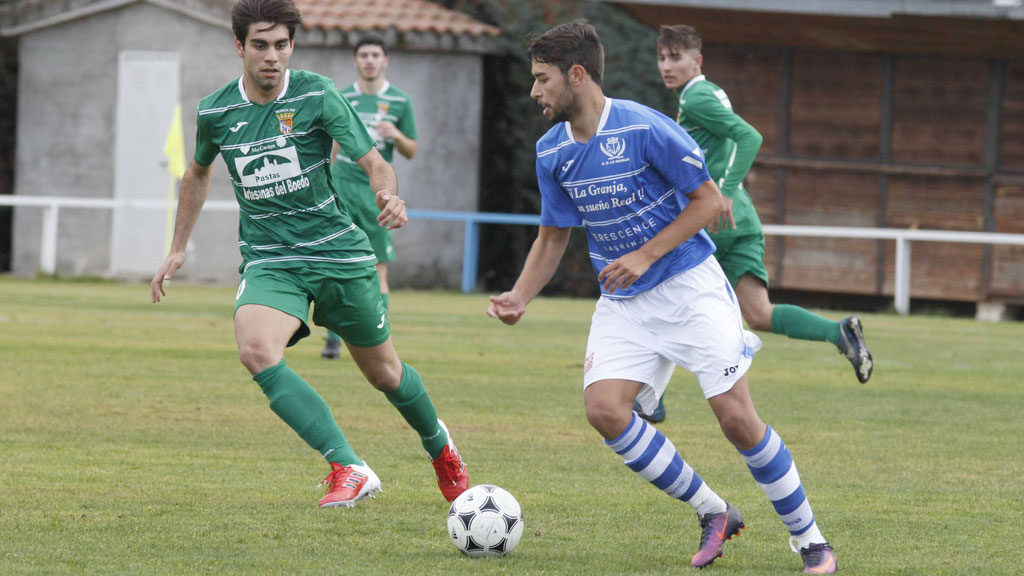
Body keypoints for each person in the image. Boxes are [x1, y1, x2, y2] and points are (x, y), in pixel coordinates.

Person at [487, 21, 837, 574]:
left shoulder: (645, 128)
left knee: (735, 417)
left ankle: (809, 538)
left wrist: (646, 255)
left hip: (689, 284)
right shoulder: (552, 150)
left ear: (577, 75)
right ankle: (713, 511)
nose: (535, 92)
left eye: (542, 79)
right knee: (604, 411)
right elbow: (553, 235)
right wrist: (520, 295)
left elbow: (708, 201)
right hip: (625, 300)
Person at [150, 0, 467, 509]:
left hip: (338, 254)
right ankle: (349, 465)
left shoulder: (318, 94)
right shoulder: (215, 109)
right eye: (260, 45)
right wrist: (177, 247)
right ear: (240, 47)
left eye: (281, 45)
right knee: (255, 349)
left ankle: (441, 448)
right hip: (271, 259)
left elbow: (373, 161)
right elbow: (197, 172)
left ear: (291, 47)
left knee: (384, 374)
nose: (271, 56)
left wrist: (389, 194)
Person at [638, 25, 874, 424]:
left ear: (697, 61)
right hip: (743, 221)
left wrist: (724, 191)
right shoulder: (707, 92)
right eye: (662, 58)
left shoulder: (695, 96)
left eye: (675, 58)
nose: (666, 66)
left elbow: (749, 136)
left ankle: (649, 398)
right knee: (760, 313)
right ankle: (840, 334)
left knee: (661, 295)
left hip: (713, 220)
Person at [322, 33, 418, 360]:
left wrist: (397, 135)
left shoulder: (400, 101)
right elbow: (332, 146)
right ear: (356, 60)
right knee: (336, 263)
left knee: (378, 269)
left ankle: (378, 336)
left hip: (378, 192)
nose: (369, 60)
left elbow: (411, 150)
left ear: (385, 60)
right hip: (343, 188)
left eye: (375, 54)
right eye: (364, 54)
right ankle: (333, 339)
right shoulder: (342, 97)